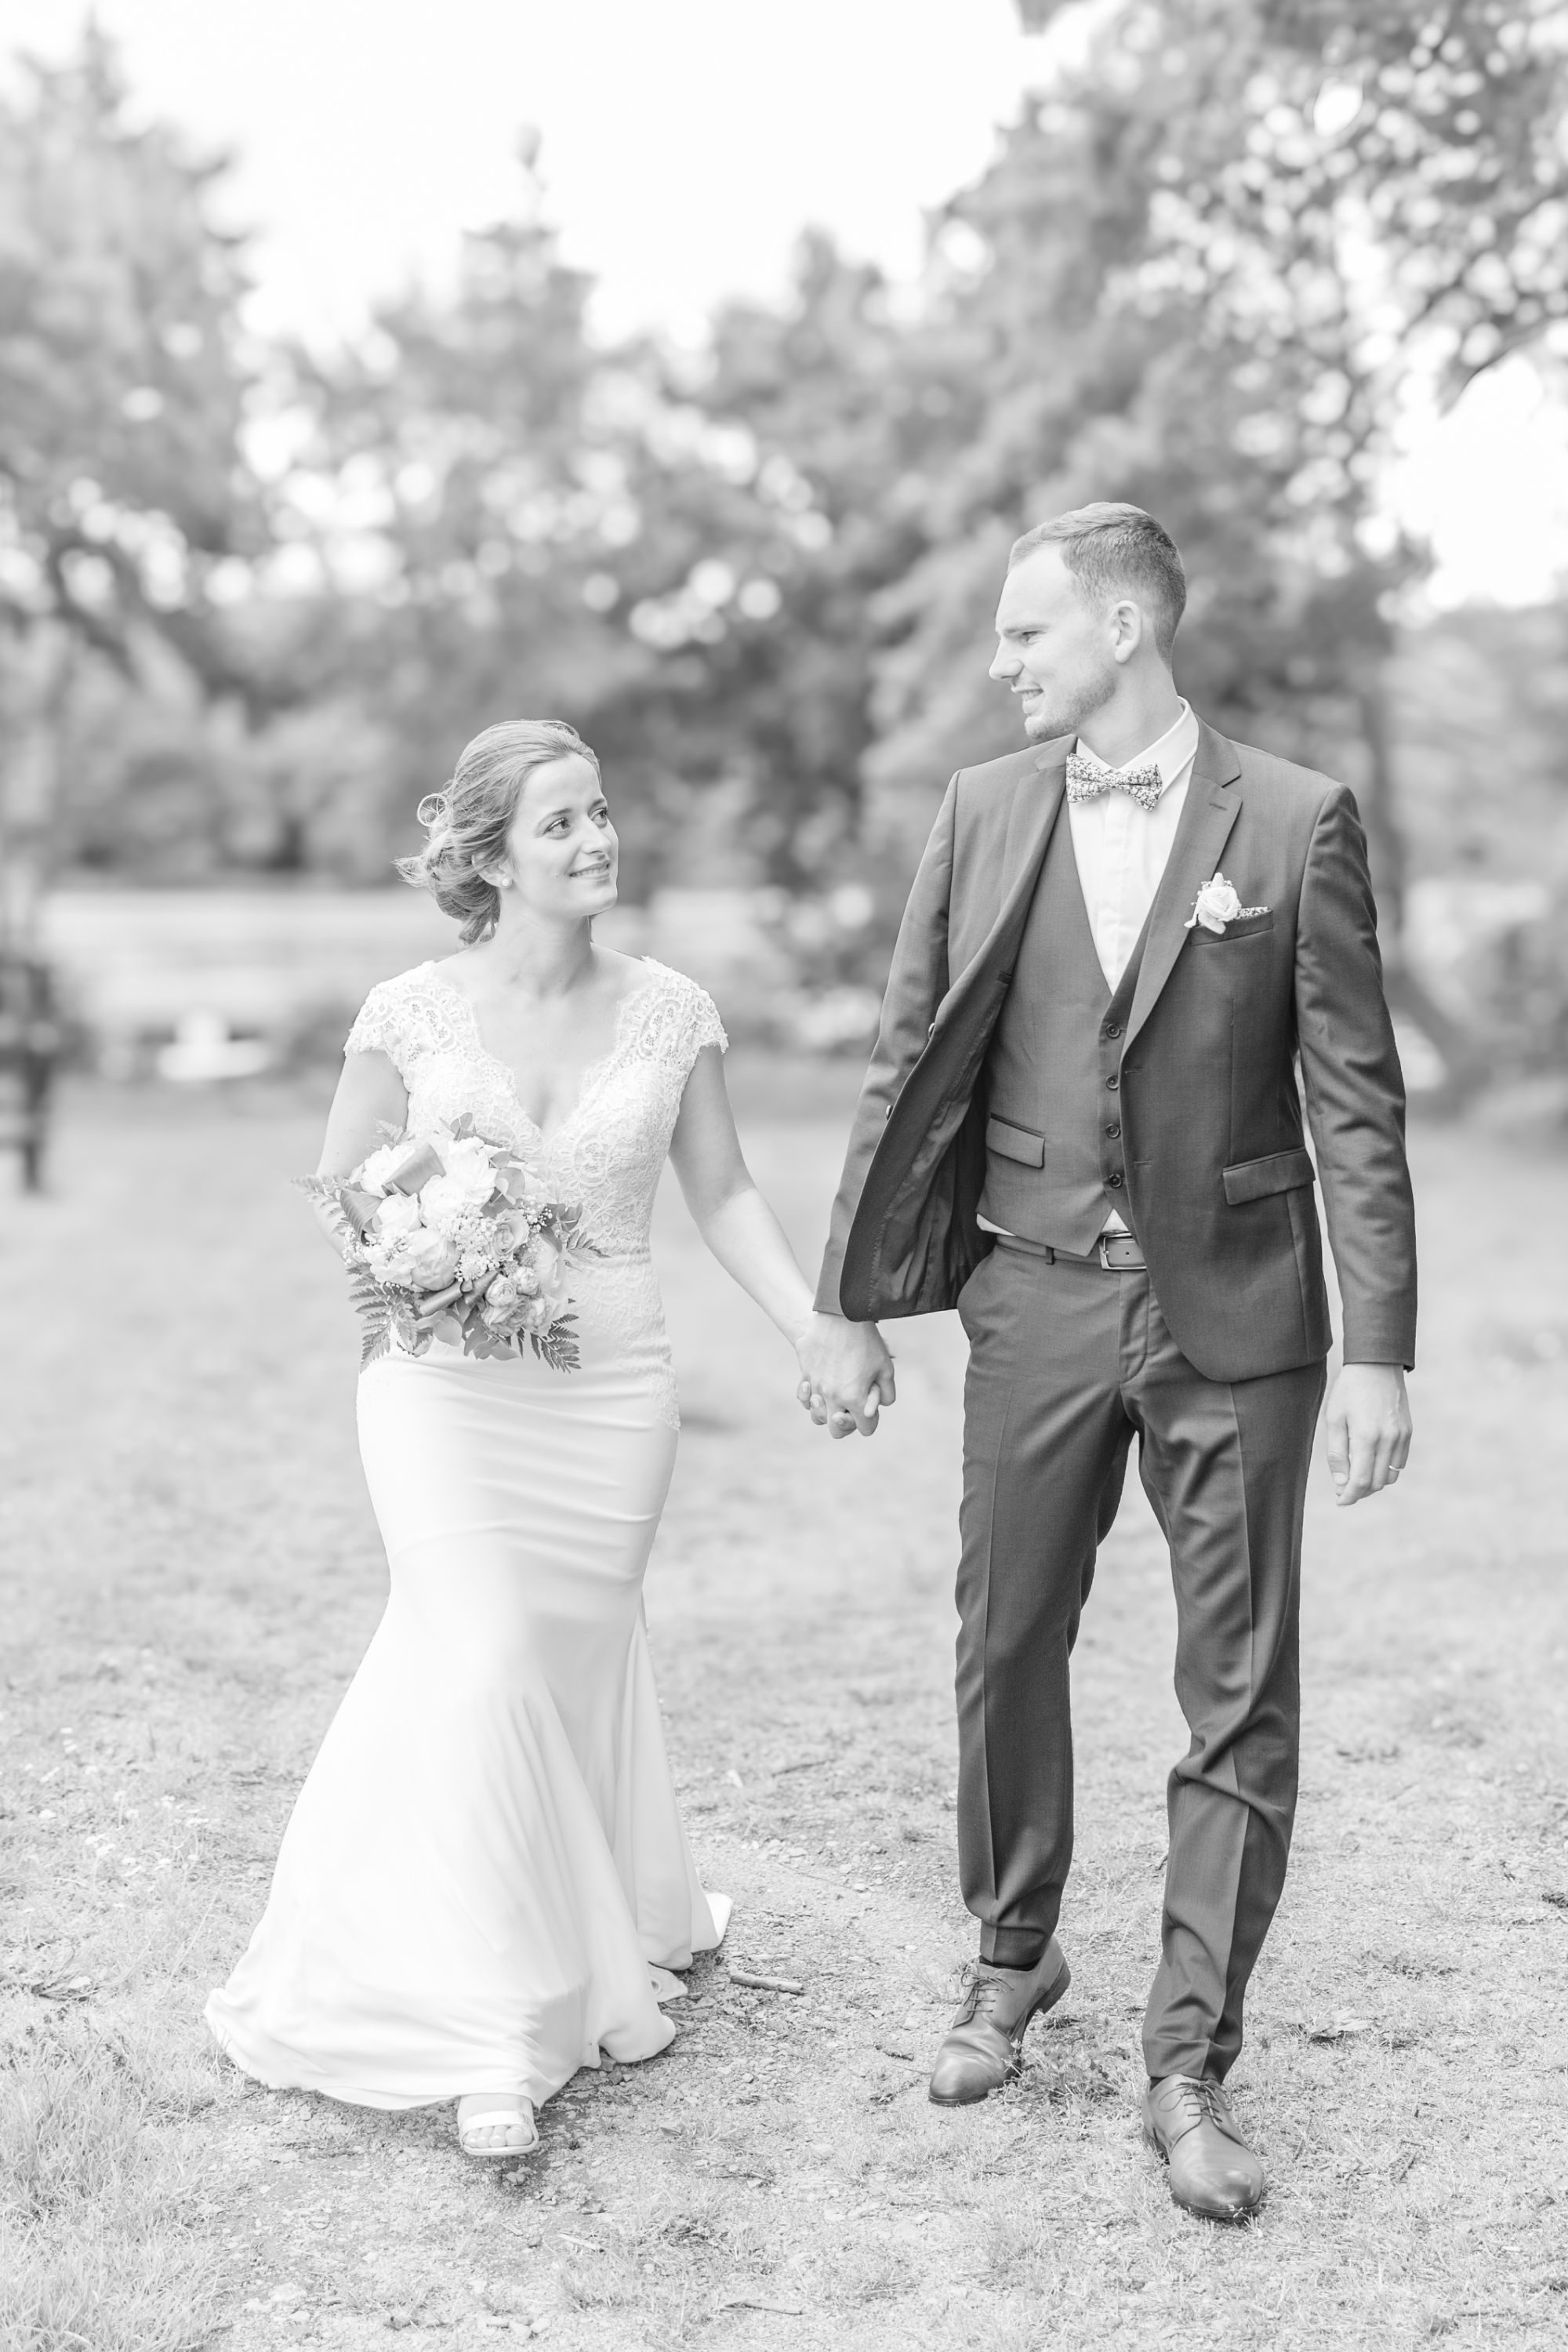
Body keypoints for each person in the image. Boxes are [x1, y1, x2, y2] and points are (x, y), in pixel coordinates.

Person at [796, 503, 1415, 2221]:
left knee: (1241, 1688)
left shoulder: (1292, 819)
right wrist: (848, 1296)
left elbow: (1355, 1100)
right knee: (1003, 1640)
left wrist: (1379, 1349)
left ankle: (1188, 2060)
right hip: (1037, 1295)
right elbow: (905, 1055)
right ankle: (1012, 1955)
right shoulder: (984, 807)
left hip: (1242, 1319)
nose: (1001, 662)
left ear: (1123, 628)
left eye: (1026, 632)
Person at [207, 719, 831, 2158]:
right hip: (439, 1384)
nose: (596, 839)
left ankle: (585, 1907)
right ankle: (497, 2031)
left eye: (600, 812)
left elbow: (725, 1193)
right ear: (490, 859)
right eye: (561, 823)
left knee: (556, 1664)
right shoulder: (409, 1014)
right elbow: (346, 1188)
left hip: (610, 1391)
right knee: (481, 1652)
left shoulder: (673, 1013)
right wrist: (433, 1247)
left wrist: (809, 1326)